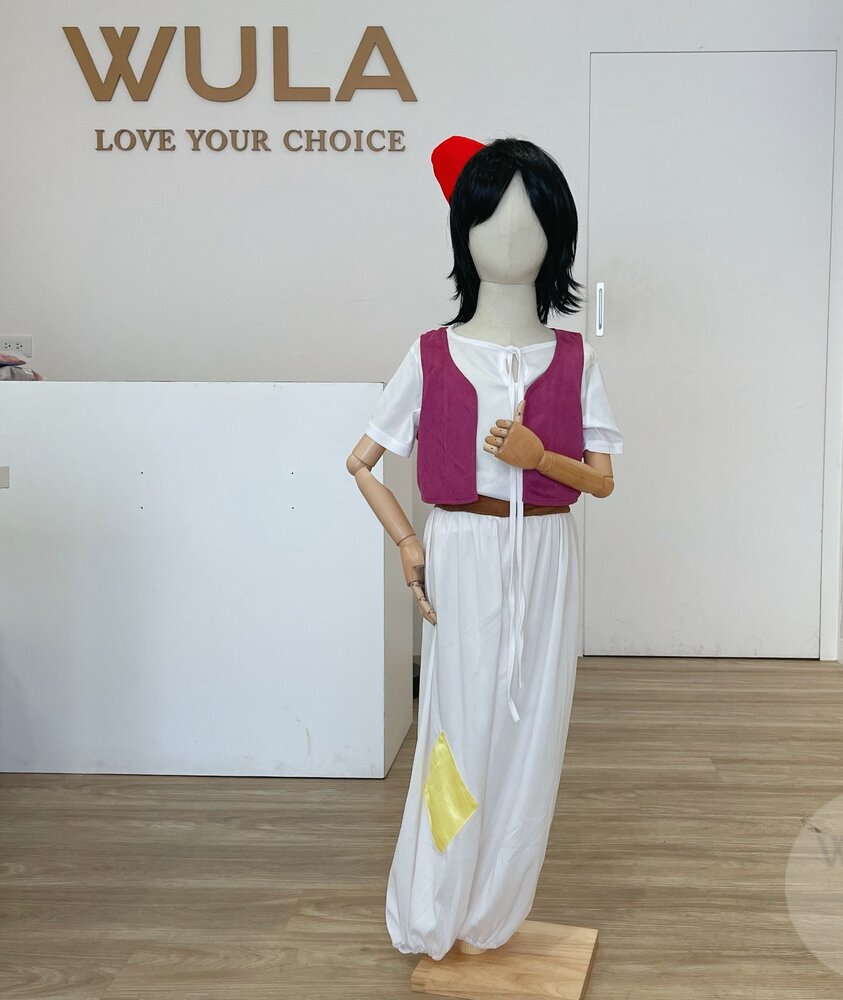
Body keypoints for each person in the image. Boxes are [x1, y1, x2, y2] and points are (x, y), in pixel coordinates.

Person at [347, 136, 623, 961]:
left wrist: (542, 459)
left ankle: (495, 908)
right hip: (461, 546)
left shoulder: (574, 359)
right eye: (490, 218)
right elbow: (362, 461)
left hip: (546, 552)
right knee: (456, 727)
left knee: (536, 728)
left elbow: (602, 480)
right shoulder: (432, 354)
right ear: (461, 231)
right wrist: (407, 541)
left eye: (529, 220)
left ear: (557, 235)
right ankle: (434, 904)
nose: (509, 237)